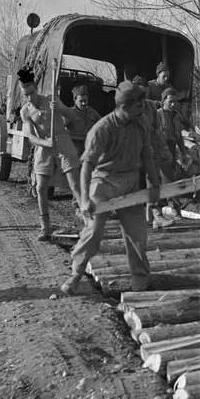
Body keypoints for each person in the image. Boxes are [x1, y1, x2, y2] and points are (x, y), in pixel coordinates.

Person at [60, 81, 162, 296]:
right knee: (94, 232)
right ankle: (76, 273)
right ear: (124, 107)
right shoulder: (102, 129)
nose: (143, 109)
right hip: (103, 183)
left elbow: (147, 155)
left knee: (137, 236)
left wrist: (153, 185)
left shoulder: (141, 123)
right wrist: (85, 199)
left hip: (132, 183)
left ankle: (140, 282)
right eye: (138, 106)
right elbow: (87, 165)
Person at [18, 67, 83, 241]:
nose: (29, 98)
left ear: (36, 89)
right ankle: (45, 227)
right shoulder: (25, 111)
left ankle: (88, 222)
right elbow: (31, 136)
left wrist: (60, 109)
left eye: (31, 93)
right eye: (26, 95)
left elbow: (73, 116)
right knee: (40, 188)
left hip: (62, 141)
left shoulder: (51, 99)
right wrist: (44, 142)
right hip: (43, 146)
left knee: (75, 185)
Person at [133, 76, 175, 230]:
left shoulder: (151, 107)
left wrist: (165, 148)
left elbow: (157, 130)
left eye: (145, 93)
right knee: (136, 184)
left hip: (150, 149)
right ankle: (140, 218)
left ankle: (156, 217)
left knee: (154, 181)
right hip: (133, 150)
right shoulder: (127, 107)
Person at [157, 87, 191, 221]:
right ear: (163, 100)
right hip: (160, 151)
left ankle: (162, 213)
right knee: (168, 181)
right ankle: (175, 211)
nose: (173, 104)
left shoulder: (176, 115)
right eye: (170, 101)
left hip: (172, 151)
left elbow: (178, 137)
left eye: (175, 102)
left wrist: (183, 153)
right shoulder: (158, 115)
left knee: (171, 180)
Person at [65, 84, 102, 158]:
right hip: (75, 146)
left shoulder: (92, 112)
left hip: (89, 145)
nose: (84, 103)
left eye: (85, 100)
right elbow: (59, 127)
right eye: (81, 101)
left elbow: (103, 124)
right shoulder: (69, 112)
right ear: (75, 101)